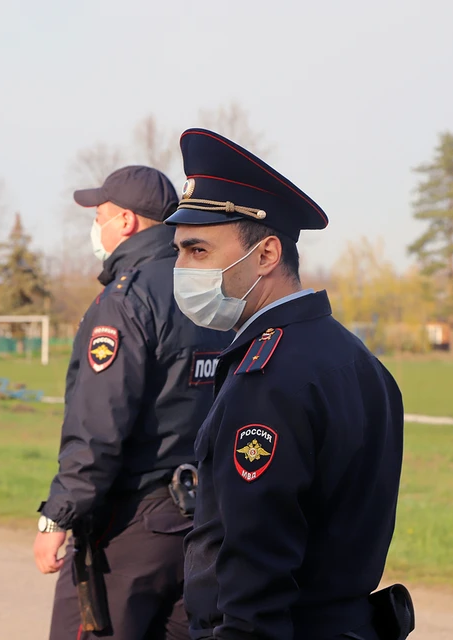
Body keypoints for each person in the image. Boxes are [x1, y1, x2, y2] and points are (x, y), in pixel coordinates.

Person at [164, 129, 412, 640]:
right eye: (180, 251)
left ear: (266, 254)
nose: (182, 268)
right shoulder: (354, 358)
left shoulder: (269, 377)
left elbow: (256, 562)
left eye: (198, 249)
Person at [34, 165, 232, 640]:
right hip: (203, 521)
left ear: (126, 221)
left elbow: (99, 425)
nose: (94, 228)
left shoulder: (127, 300)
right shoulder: (211, 290)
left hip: (132, 524)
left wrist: (57, 516)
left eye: (99, 215)